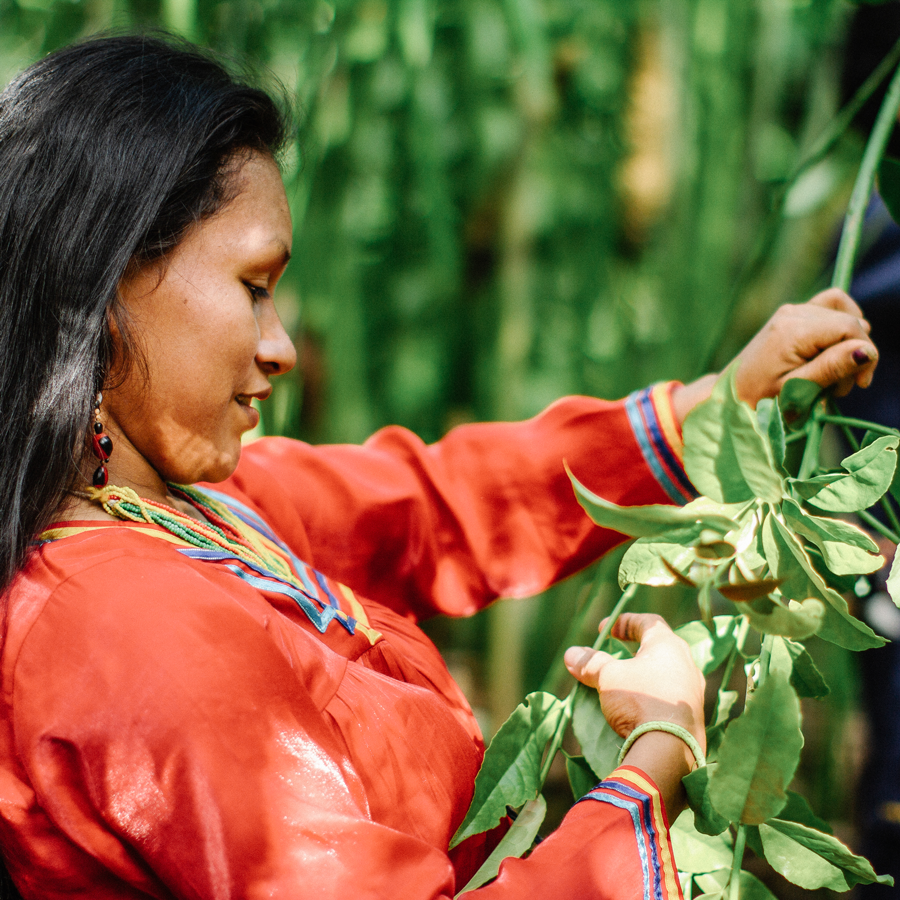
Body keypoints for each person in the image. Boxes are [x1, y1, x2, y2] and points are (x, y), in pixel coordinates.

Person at [0, 34, 880, 900]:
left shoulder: (193, 507)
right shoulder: (138, 636)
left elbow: (434, 504)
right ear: (105, 283)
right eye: (253, 286)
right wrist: (656, 763)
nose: (282, 349)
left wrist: (718, 408)